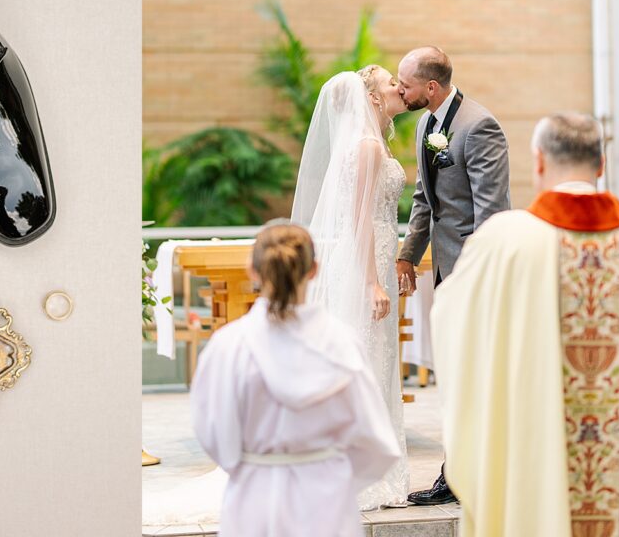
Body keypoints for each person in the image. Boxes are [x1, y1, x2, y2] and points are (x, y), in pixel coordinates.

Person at [431, 113, 619, 537]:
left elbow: (450, 323)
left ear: (537, 162)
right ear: (601, 165)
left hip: (535, 461)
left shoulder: (503, 242)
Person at [191, 221, 401, 537]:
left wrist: (252, 466)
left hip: (254, 497)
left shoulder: (229, 345)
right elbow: (375, 442)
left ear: (252, 270)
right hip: (326, 501)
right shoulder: (341, 344)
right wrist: (330, 472)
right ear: (314, 270)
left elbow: (212, 431)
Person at [393, 46, 510, 506]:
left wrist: (477, 281)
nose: (401, 90)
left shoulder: (479, 126)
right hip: (445, 274)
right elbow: (426, 200)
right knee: (457, 379)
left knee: (476, 378)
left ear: (431, 87)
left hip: (474, 278)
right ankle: (459, 473)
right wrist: (407, 256)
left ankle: (473, 477)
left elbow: (492, 213)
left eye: (406, 84)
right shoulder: (427, 125)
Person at [290, 67, 411, 509]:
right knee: (365, 362)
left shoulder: (370, 143)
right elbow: (359, 220)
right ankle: (358, 474)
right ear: (373, 98)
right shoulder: (366, 147)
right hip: (365, 263)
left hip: (370, 257)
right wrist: (373, 283)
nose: (398, 87)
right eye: (388, 83)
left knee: (371, 361)